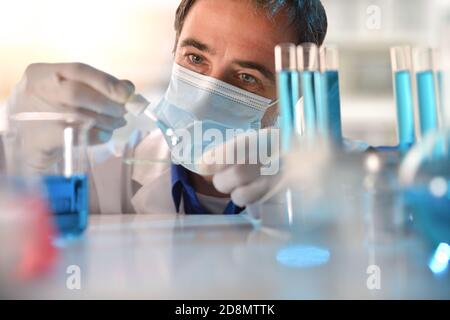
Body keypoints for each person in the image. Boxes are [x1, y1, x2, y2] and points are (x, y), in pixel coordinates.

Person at [5, 0, 328, 214]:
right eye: (196, 59)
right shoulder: (101, 173)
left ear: (294, 91)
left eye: (247, 77)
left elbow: (374, 170)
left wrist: (335, 182)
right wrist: (18, 153)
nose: (203, 99)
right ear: (174, 51)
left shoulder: (327, 180)